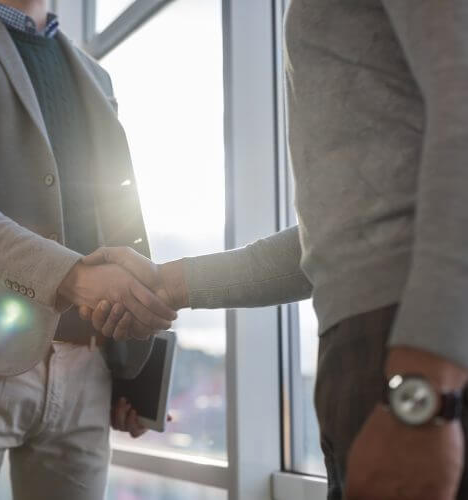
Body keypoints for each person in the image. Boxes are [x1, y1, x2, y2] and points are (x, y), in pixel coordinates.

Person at [81, 1, 468, 499]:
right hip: (377, 357)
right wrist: (165, 285)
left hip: (410, 356)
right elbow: (337, 234)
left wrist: (426, 393)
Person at [0, 0, 177, 498]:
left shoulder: (95, 76)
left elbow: (117, 217)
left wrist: (132, 365)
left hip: (89, 369)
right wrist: (77, 278)